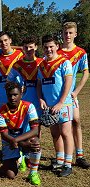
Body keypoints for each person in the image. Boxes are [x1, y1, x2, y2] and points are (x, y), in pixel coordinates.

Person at [37, 34, 74, 177]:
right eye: (46, 47)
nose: (48, 49)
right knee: (55, 133)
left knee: (65, 132)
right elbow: (39, 85)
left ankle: (68, 164)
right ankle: (59, 160)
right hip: (49, 106)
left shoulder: (64, 62)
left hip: (63, 104)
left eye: (51, 46)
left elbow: (68, 83)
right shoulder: (42, 65)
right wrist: (41, 99)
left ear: (57, 46)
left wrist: (60, 102)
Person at [58, 22, 89, 169]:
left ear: (75, 34)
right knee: (61, 126)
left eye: (70, 33)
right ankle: (62, 156)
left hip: (71, 95)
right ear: (62, 33)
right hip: (58, 95)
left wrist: (76, 91)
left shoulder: (81, 52)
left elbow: (86, 73)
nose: (68, 35)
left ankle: (80, 155)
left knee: (76, 121)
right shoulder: (56, 51)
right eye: (65, 32)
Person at [0, 81, 42, 185]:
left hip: (21, 139)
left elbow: (35, 130)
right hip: (9, 141)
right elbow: (4, 134)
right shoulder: (1, 111)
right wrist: (15, 141)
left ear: (21, 94)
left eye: (15, 95)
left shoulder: (29, 106)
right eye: (10, 95)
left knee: (35, 142)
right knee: (10, 175)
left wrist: (17, 140)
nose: (12, 98)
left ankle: (33, 173)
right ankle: (18, 158)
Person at [9, 37, 43, 117]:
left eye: (31, 47)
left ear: (36, 47)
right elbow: (8, 81)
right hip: (24, 100)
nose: (28, 50)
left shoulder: (41, 62)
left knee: (37, 126)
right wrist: (17, 87)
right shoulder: (17, 65)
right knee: (26, 127)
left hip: (39, 100)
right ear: (23, 48)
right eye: (26, 47)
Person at [0, 31, 24, 109]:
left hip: (17, 95)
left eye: (5, 40)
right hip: (2, 96)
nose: (3, 43)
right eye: (0, 41)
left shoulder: (20, 55)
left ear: (10, 40)